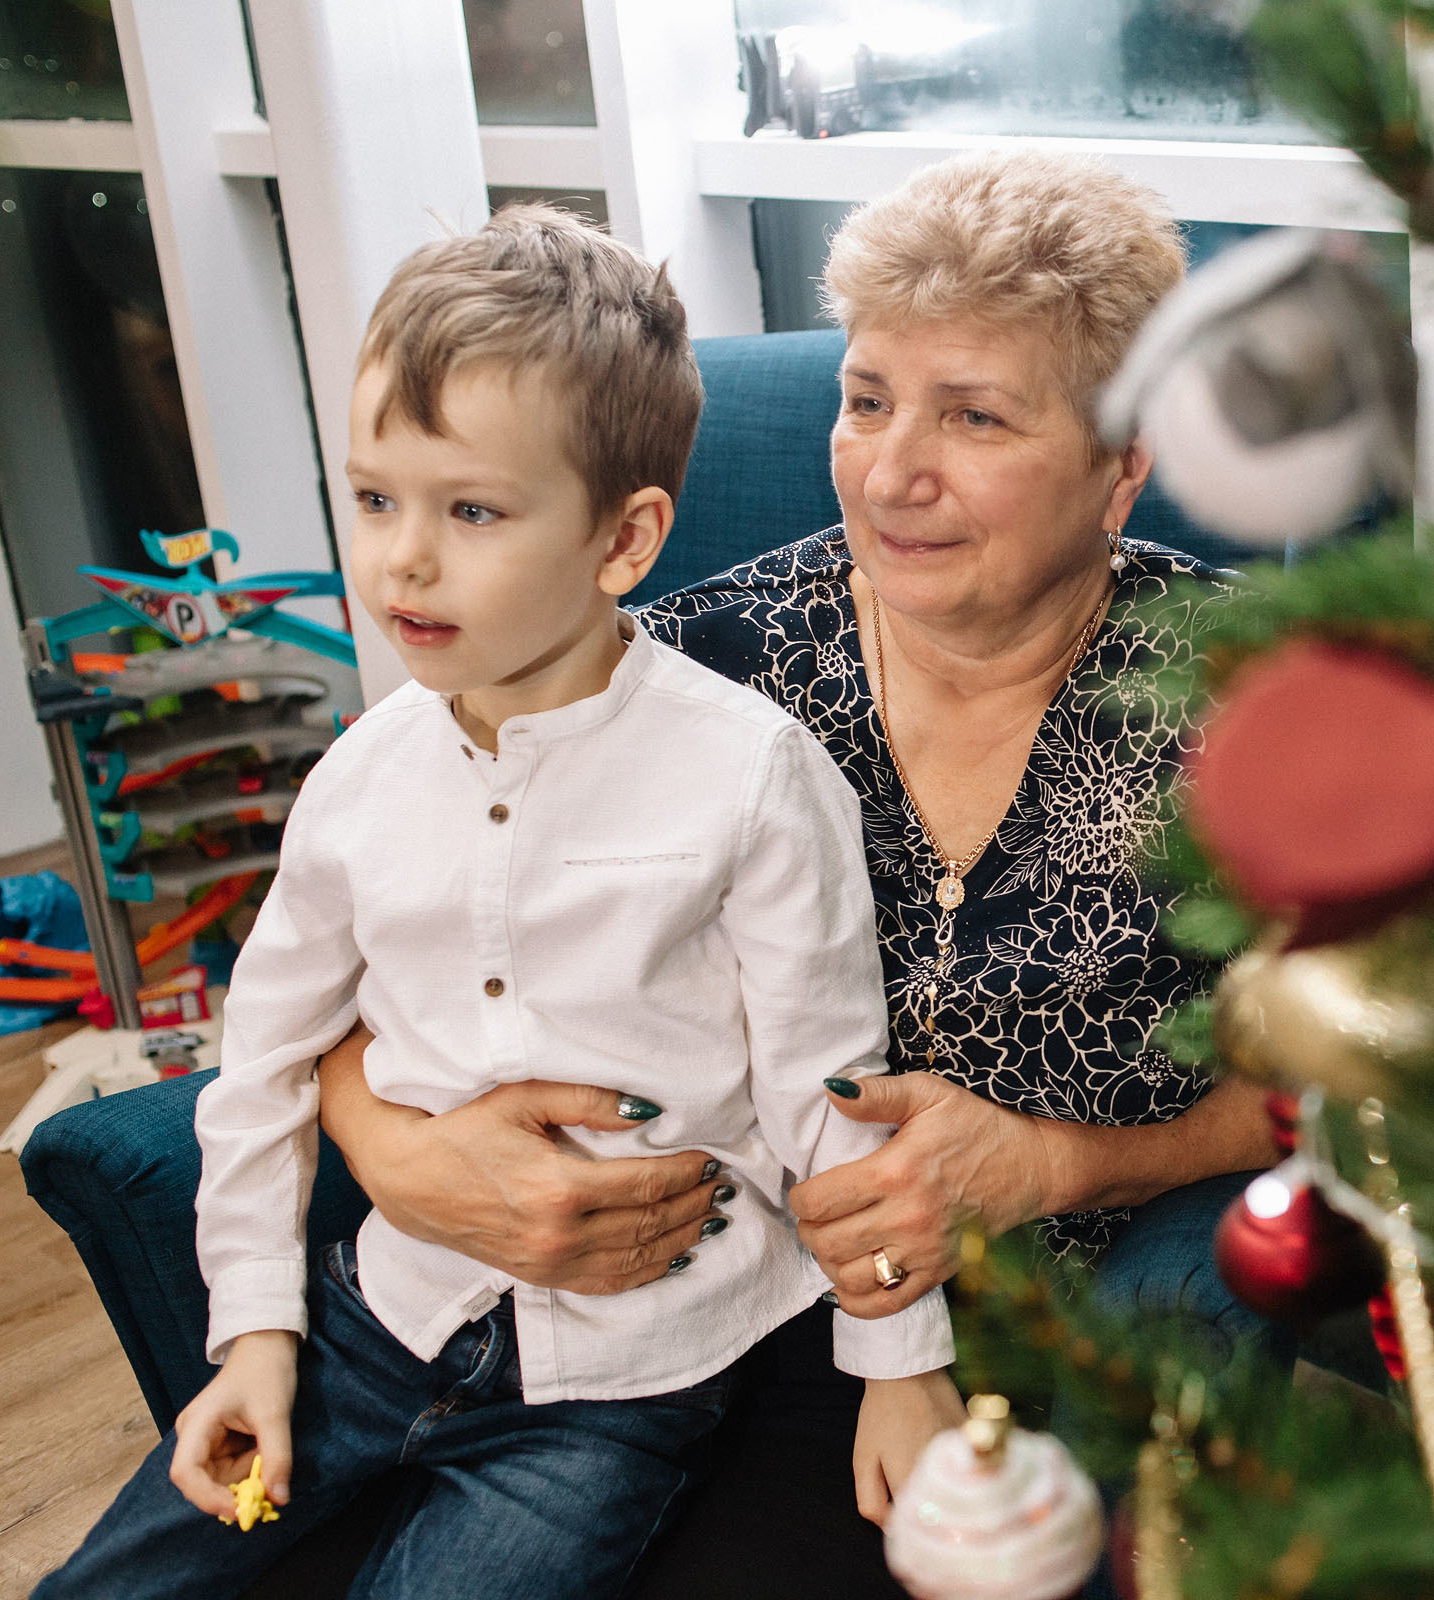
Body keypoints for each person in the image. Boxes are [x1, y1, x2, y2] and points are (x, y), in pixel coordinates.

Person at [309, 152, 1285, 1588]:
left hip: (1063, 1309)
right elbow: (348, 934)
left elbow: (1382, 1085)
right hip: (702, 1319)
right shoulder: (684, 669)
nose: (892, 474)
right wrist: (393, 1149)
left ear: (1121, 463)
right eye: (868, 399)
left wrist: (1061, 1163)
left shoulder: (1262, 702)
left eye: (975, 416)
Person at [33, 206, 957, 1600]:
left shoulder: (752, 776)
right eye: (376, 499)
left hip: (629, 1382)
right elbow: (264, 1065)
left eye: (470, 511)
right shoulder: (356, 782)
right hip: (377, 1324)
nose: (403, 560)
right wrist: (256, 1338)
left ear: (622, 538)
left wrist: (898, 1367)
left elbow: (830, 1102)